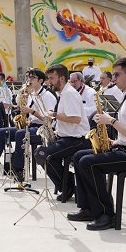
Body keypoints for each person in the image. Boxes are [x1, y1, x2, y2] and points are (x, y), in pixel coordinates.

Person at [68, 56, 126, 231]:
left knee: (88, 163)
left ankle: (106, 214)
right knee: (79, 156)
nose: (113, 78)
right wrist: (116, 141)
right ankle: (88, 208)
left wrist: (111, 121)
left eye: (116, 75)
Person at [0, 68, 56, 181]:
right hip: (32, 126)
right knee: (0, 132)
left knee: (20, 134)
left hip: (43, 130)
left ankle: (19, 169)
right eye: (29, 77)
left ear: (40, 80)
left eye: (32, 78)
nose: (29, 80)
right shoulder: (32, 94)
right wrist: (27, 119)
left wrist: (32, 112)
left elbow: (49, 121)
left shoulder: (48, 96)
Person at [35, 65, 90, 199]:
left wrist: (54, 114)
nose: (49, 82)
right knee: (42, 154)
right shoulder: (64, 93)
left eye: (51, 78)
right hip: (67, 138)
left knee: (42, 155)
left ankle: (68, 186)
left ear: (62, 78)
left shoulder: (69, 93)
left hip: (77, 140)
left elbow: (76, 119)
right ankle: (67, 185)